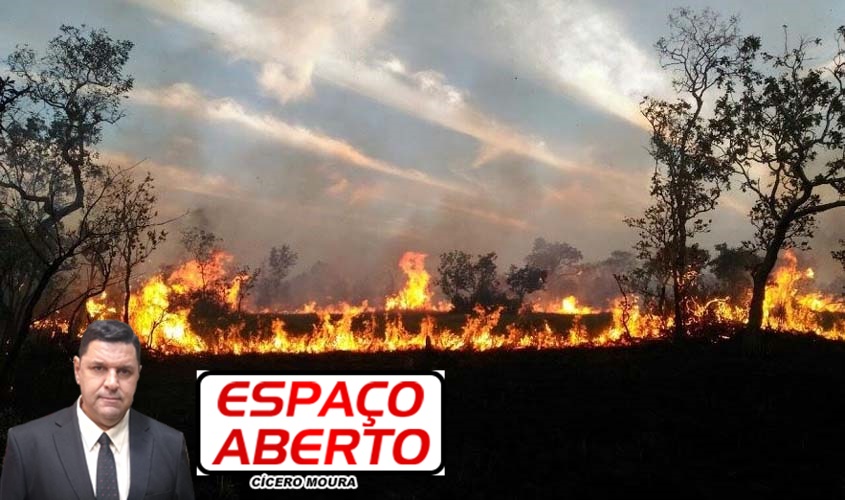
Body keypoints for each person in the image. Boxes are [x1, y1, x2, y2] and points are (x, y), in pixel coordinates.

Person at [0, 320, 195, 500]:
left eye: (124, 371)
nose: (112, 383)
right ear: (77, 370)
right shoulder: (26, 445)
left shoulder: (171, 445)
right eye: (98, 368)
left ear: (138, 374)